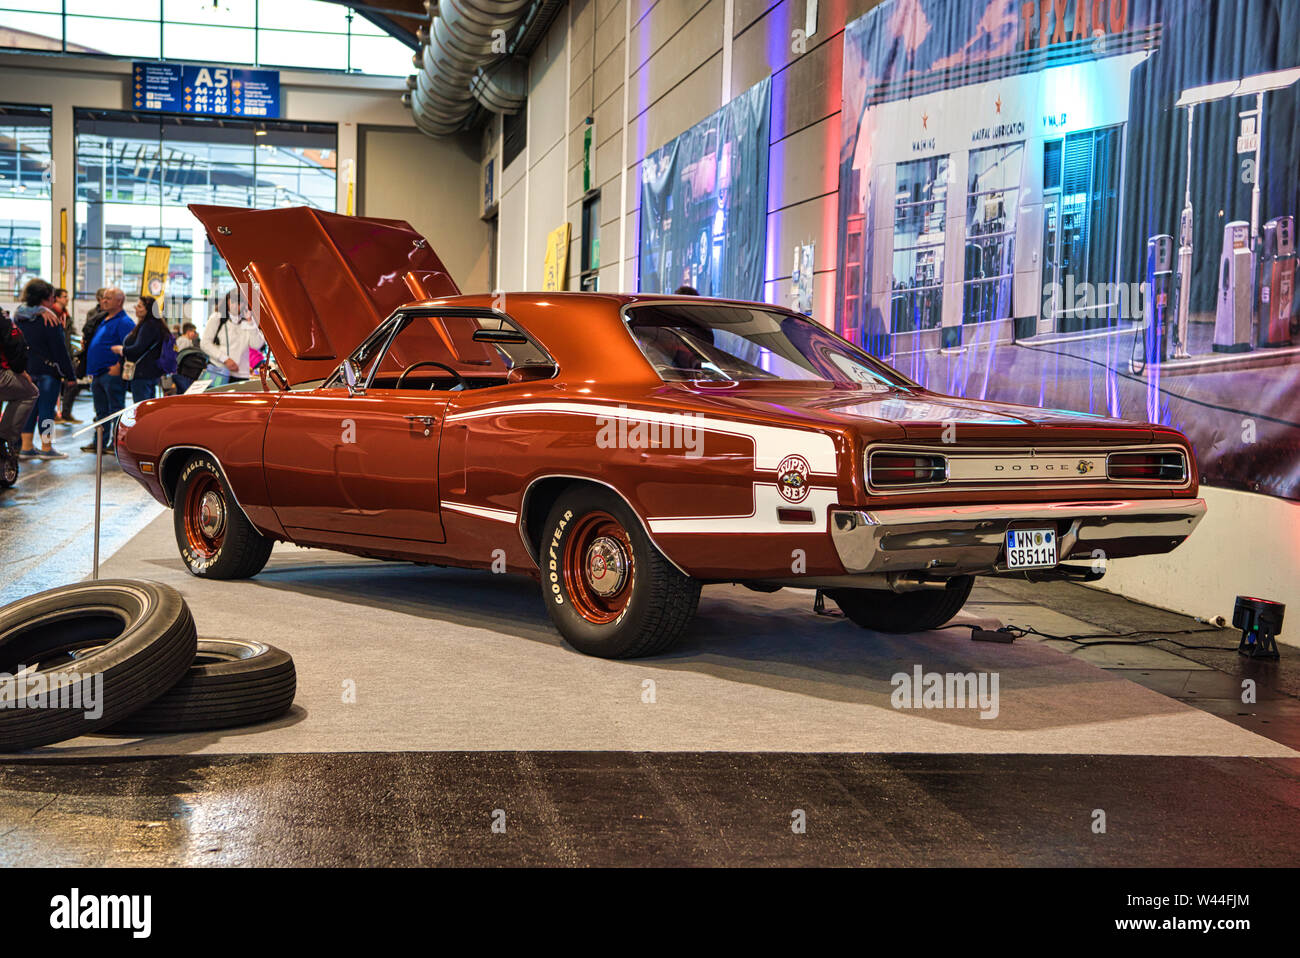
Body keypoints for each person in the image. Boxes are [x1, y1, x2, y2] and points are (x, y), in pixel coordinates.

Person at [14, 279, 76, 459]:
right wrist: (70, 375)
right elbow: (60, 350)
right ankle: (47, 448)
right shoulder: (50, 319)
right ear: (46, 297)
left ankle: (26, 447)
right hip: (48, 373)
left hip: (26, 371)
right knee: (47, 411)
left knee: (29, 410)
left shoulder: (19, 317)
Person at [81, 288, 133, 454]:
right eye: (103, 298)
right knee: (101, 412)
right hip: (98, 373)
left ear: (119, 301)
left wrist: (119, 365)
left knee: (115, 410)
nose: (103, 301)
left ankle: (116, 444)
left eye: (108, 298)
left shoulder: (124, 322)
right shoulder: (103, 319)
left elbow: (130, 347)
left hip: (111, 374)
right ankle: (99, 442)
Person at [0, 305, 39, 470]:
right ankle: (4, 441)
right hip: (46, 373)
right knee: (31, 393)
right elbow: (14, 344)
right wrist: (20, 369)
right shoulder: (5, 319)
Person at [115, 295, 169, 404]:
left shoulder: (148, 325)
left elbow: (139, 348)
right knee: (148, 406)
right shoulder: (154, 324)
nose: (136, 308)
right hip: (149, 374)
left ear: (148, 310)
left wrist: (122, 350)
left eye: (139, 306)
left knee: (142, 407)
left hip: (142, 374)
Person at [203, 288, 265, 382]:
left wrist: (250, 322)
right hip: (219, 371)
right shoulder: (217, 318)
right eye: (233, 301)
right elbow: (205, 343)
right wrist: (225, 359)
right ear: (227, 301)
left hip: (241, 374)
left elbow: (256, 345)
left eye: (239, 303)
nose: (235, 306)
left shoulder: (248, 321)